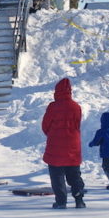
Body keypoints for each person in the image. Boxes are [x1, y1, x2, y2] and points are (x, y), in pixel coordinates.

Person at [42, 78, 86, 209]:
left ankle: (61, 201)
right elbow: (77, 124)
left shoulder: (53, 107)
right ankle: (79, 199)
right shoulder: (76, 107)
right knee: (74, 174)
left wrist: (52, 134)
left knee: (57, 175)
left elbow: (45, 125)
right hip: (73, 145)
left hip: (56, 146)